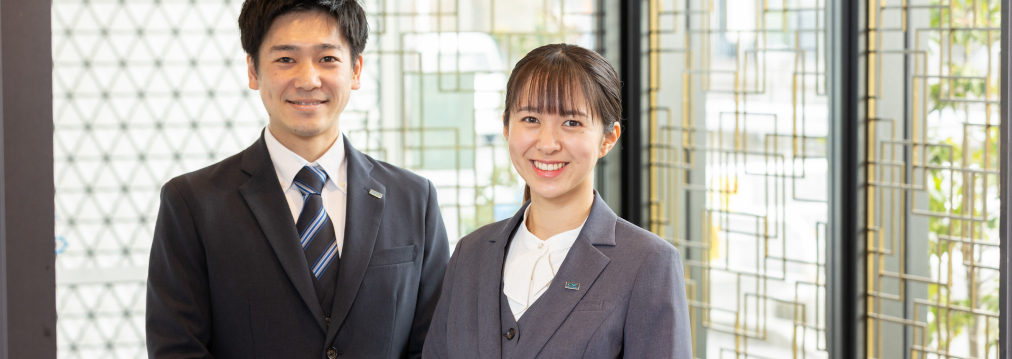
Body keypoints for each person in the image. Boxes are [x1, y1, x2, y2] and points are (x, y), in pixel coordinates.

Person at [146, 1, 449, 358]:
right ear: (253, 70)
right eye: (286, 59)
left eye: (327, 59)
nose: (308, 80)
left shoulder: (415, 199)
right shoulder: (192, 204)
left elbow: (436, 344)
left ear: (356, 69)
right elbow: (178, 349)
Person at [422, 43, 692, 358]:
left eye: (572, 123)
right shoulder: (470, 253)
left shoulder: (648, 263)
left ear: (608, 138)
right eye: (531, 119)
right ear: (507, 127)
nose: (548, 144)